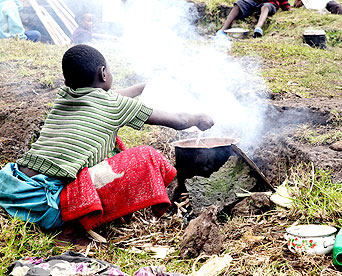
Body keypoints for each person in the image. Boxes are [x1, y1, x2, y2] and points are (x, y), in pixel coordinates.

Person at [0, 44, 214, 231]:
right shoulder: (114, 106)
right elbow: (178, 120)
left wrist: (145, 86)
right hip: (49, 206)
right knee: (146, 156)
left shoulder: (65, 95)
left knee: (113, 143)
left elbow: (111, 96)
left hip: (13, 189)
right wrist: (199, 118)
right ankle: (75, 226)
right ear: (103, 73)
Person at [216, 0, 291, 38]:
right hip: (254, 2)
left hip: (269, 3)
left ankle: (258, 28)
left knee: (265, 7)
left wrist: (287, 7)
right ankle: (222, 30)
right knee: (239, 4)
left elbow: (284, 3)